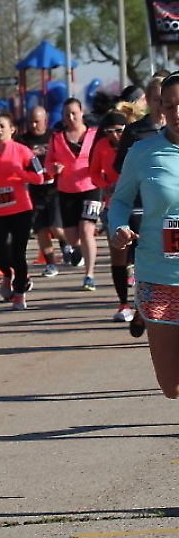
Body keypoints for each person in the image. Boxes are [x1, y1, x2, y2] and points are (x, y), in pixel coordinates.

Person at [109, 71, 179, 400]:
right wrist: (118, 228)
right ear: (159, 107)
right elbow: (120, 201)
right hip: (158, 276)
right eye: (170, 105)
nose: (177, 113)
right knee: (171, 387)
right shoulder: (142, 152)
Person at [113, 76, 167, 337]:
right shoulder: (135, 133)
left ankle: (152, 308)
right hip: (140, 209)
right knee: (145, 261)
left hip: (170, 213)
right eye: (157, 100)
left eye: (167, 100)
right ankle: (142, 306)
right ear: (148, 100)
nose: (162, 106)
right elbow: (119, 168)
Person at [0, 112, 45, 310]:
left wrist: (19, 172)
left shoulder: (23, 150)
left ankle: (19, 293)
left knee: (19, 252)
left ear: (12, 130)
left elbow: (39, 177)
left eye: (2, 126)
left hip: (20, 208)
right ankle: (7, 273)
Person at [45, 97, 100, 291]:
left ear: (82, 112)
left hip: (91, 187)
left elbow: (104, 156)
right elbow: (48, 163)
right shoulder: (57, 138)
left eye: (74, 113)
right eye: (67, 114)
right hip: (67, 190)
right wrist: (53, 168)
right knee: (72, 238)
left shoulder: (94, 135)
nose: (71, 117)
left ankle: (89, 275)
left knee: (86, 230)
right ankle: (77, 249)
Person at [89, 111, 131, 322]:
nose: (114, 135)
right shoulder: (102, 146)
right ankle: (124, 304)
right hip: (114, 206)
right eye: (109, 132)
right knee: (118, 254)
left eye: (118, 131)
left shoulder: (135, 143)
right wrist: (106, 186)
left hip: (140, 204)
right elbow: (94, 172)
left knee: (144, 254)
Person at [18, 105, 71, 276]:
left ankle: (66, 245)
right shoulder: (23, 140)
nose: (33, 125)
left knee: (56, 227)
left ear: (45, 121)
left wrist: (58, 167)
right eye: (31, 122)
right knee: (40, 229)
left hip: (55, 188)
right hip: (34, 190)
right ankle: (50, 264)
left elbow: (65, 157)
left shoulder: (54, 137)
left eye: (37, 121)